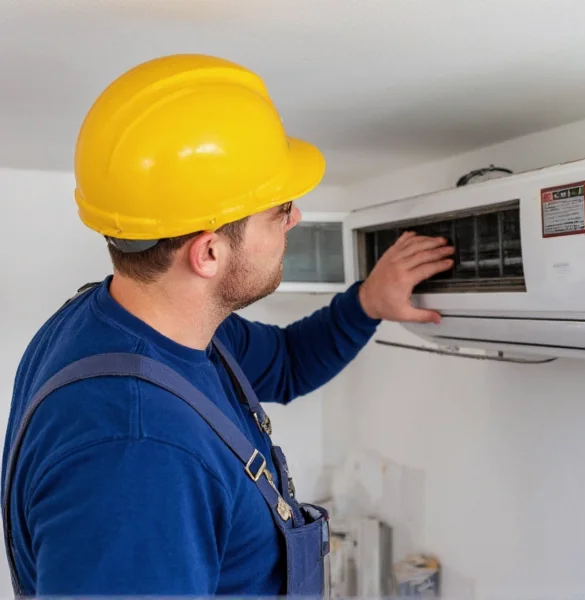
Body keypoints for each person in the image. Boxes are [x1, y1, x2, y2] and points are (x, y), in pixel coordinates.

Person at [1, 54, 454, 597]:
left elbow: (284, 363)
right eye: (279, 209)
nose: (296, 219)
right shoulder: (137, 457)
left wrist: (367, 304)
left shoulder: (141, 324)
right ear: (208, 252)